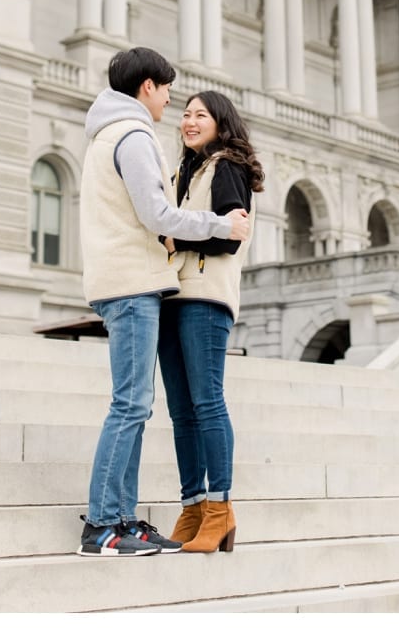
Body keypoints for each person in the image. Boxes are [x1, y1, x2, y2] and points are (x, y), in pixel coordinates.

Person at [76, 48, 251, 557]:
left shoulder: (114, 135)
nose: (176, 107)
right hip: (133, 283)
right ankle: (106, 526)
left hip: (160, 287)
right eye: (172, 93)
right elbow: (156, 214)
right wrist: (218, 226)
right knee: (132, 403)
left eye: (199, 112)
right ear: (148, 86)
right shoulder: (133, 136)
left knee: (155, 403)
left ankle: (130, 519)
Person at [157, 90, 263, 553]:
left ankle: (219, 509)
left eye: (200, 114)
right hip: (172, 295)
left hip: (205, 295)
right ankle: (193, 507)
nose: (189, 121)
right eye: (185, 114)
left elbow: (229, 237)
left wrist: (173, 238)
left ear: (221, 122)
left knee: (206, 404)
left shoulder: (227, 166)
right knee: (181, 412)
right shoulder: (185, 170)